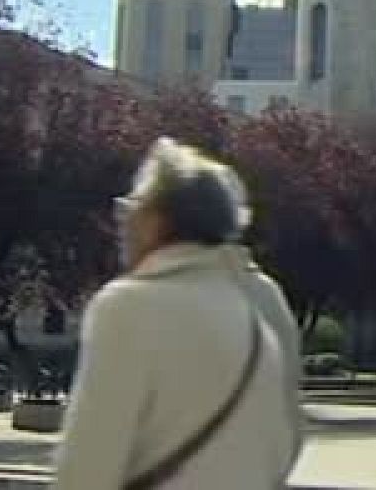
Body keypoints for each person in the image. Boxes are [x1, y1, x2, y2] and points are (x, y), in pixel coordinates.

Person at [55, 137, 304, 490]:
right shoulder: (255, 309)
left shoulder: (129, 306)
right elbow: (286, 442)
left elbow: (88, 465)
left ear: (158, 220)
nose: (123, 223)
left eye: (132, 207)